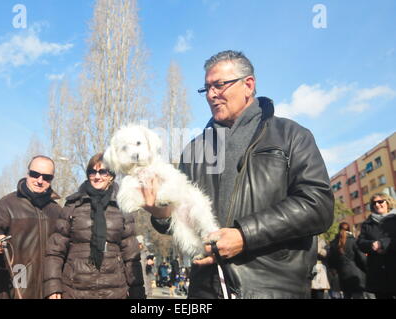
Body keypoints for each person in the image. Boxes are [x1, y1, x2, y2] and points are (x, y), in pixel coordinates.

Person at [143, 50, 334, 298]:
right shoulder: (194, 150)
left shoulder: (291, 135)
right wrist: (162, 213)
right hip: (206, 289)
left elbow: (318, 205)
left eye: (219, 85)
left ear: (248, 85)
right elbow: (180, 222)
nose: (211, 95)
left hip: (271, 288)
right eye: (206, 88)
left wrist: (244, 235)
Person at [43, 153, 145, 299]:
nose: (97, 177)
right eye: (92, 172)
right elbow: (55, 251)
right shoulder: (73, 205)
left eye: (102, 171)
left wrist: (137, 291)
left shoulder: (123, 207)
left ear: (111, 175)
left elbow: (131, 256)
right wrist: (53, 288)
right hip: (75, 289)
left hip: (114, 291)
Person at [0, 155, 62, 299]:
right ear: (27, 173)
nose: (40, 181)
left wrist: (56, 285)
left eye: (46, 177)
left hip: (47, 289)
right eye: (35, 174)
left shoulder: (57, 210)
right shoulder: (7, 204)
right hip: (13, 287)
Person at [357, 192, 396, 299]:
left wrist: (383, 244)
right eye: (374, 203)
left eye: (380, 201)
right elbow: (360, 242)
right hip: (378, 273)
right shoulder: (367, 223)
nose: (377, 205)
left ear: (387, 203)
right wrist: (371, 245)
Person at [328, 222, 366, 299]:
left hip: (342, 275)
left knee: (346, 295)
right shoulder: (353, 241)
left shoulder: (334, 243)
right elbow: (362, 258)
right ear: (349, 229)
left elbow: (331, 261)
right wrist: (367, 268)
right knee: (358, 296)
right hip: (356, 274)